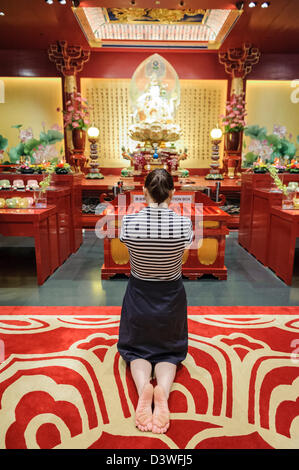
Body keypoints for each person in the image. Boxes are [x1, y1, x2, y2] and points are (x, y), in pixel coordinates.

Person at [117, 169, 193, 434]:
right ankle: (162, 391)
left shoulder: (129, 223)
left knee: (136, 350)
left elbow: (129, 254)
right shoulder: (183, 225)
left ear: (144, 192)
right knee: (169, 352)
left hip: (139, 295)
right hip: (170, 297)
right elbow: (182, 258)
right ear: (172, 193)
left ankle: (143, 392)